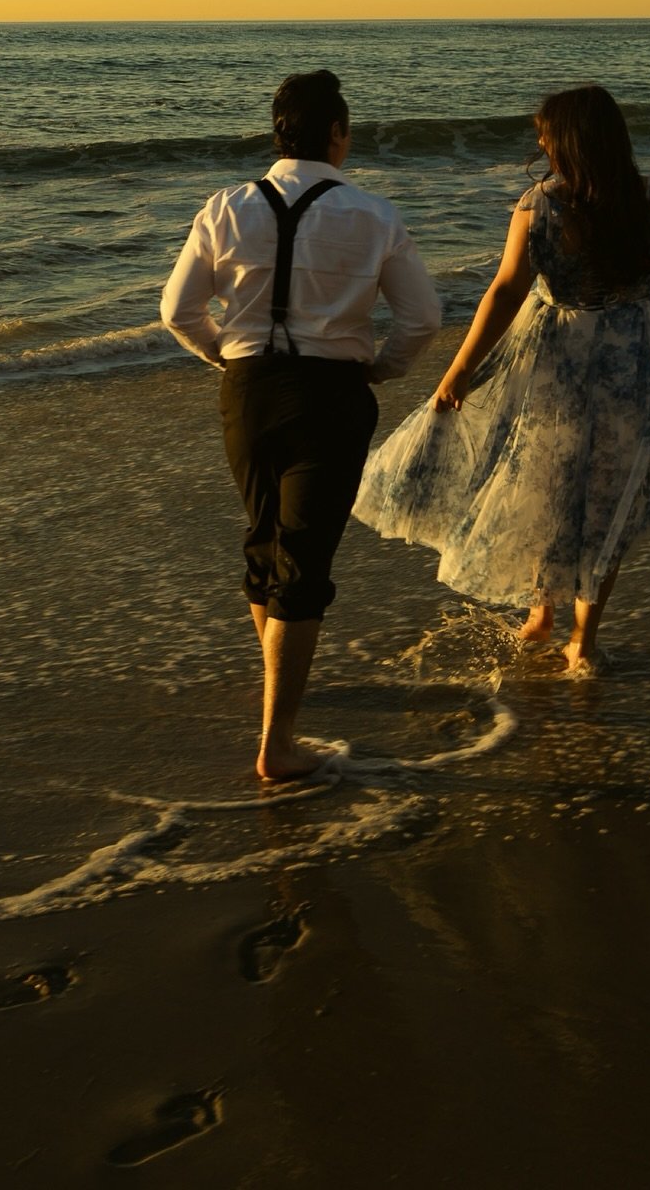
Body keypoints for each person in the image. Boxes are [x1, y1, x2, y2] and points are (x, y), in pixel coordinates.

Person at [354, 83, 650, 674]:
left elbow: (507, 290)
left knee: (547, 482)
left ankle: (541, 615)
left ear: (567, 142)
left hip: (555, 358)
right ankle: (582, 641)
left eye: (545, 133)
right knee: (606, 499)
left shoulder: (540, 204)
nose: (538, 141)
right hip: (636, 357)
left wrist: (460, 370)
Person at [161, 70, 441, 779]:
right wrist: (382, 369)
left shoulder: (226, 207)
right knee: (305, 562)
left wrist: (227, 360)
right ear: (338, 135)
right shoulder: (373, 215)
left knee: (267, 543)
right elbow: (422, 318)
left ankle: (275, 703)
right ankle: (278, 745)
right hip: (333, 393)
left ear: (277, 133)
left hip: (249, 389)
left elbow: (177, 311)